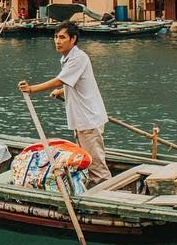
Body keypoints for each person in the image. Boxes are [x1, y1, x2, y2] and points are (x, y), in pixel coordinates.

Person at [17, 21, 111, 184]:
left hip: (88, 120)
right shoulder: (68, 58)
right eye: (55, 37)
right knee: (87, 161)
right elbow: (75, 82)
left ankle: (106, 199)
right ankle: (93, 192)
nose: (57, 41)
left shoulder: (78, 58)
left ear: (73, 39)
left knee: (97, 167)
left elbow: (60, 80)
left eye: (62, 37)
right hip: (82, 121)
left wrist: (32, 89)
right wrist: (62, 92)